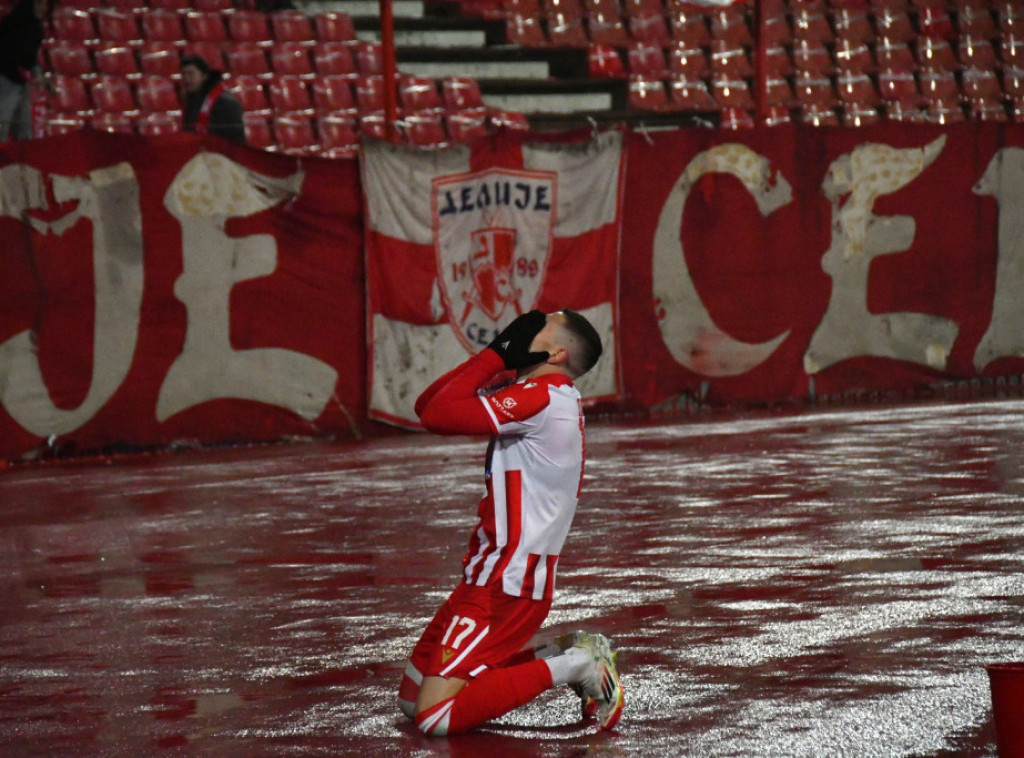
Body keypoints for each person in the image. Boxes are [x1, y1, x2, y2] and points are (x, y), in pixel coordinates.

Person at [397, 309, 624, 736]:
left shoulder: (542, 397)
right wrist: (495, 354)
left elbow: (437, 416)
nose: (524, 329)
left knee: (434, 716)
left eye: (537, 327)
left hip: (506, 581)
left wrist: (496, 356)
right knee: (411, 701)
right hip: (491, 573)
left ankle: (576, 664)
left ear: (556, 353)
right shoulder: (543, 392)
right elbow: (427, 403)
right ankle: (563, 654)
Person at [0, 0, 48, 141]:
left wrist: (36, 72)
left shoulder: (37, 29)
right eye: (40, 4)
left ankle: (24, 159)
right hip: (5, 79)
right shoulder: (13, 24)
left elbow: (31, 57)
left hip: (21, 81)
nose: (44, 8)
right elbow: (12, 53)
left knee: (24, 126)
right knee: (2, 122)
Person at [179, 55, 246, 145]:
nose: (186, 79)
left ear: (204, 76)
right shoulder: (192, 100)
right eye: (183, 74)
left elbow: (233, 140)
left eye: (191, 74)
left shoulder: (224, 102)